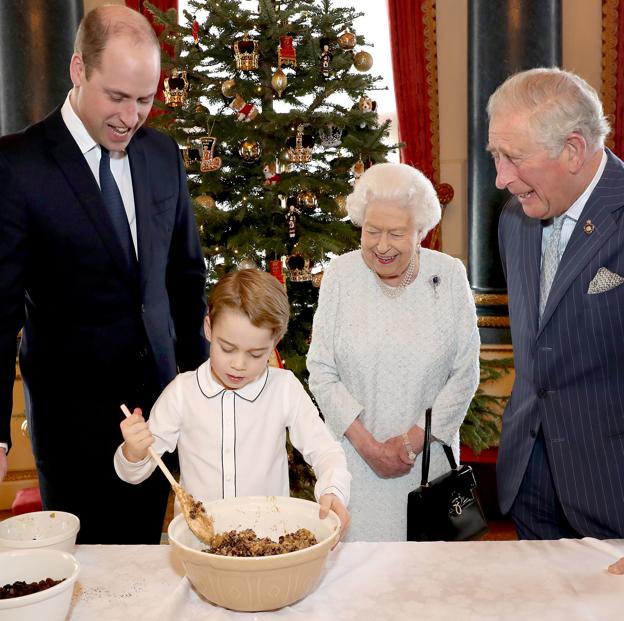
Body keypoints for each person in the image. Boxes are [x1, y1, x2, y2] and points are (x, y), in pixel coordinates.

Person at [0, 5, 208, 543]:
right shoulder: (17, 166)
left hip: (160, 413)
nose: (131, 116)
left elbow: (186, 282)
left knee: (147, 566)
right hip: (75, 430)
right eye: (116, 97)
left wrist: (206, 392)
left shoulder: (162, 155)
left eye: (144, 100)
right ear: (77, 70)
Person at [487, 67, 624, 572]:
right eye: (495, 157)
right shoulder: (513, 220)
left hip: (613, 491)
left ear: (572, 150)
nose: (501, 178)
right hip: (530, 479)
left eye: (514, 158)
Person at [306, 162, 480, 541]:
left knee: (426, 583)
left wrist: (408, 443)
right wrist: (369, 446)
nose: (382, 246)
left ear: (421, 232)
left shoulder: (449, 276)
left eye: (396, 233)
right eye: (372, 231)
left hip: (426, 470)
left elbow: (465, 372)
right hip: (353, 465)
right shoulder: (339, 276)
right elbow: (320, 369)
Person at [114, 269, 351, 538]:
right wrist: (134, 452)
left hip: (267, 541)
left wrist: (333, 490)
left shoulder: (284, 388)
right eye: (227, 348)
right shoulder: (182, 392)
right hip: (198, 544)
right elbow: (134, 473)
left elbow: (326, 451)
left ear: (275, 342)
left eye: (255, 354)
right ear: (208, 328)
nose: (238, 365)